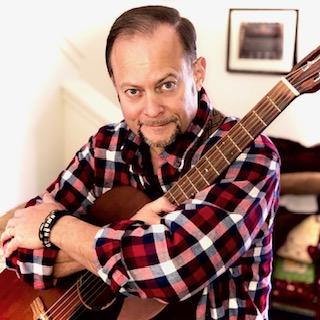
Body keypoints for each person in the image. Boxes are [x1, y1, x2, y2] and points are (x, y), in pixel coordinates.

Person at [1, 5, 280, 319]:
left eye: (166, 85)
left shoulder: (250, 154)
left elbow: (172, 270)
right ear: (117, 90)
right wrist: (133, 233)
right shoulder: (105, 146)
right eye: (133, 91)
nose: (151, 109)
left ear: (197, 73)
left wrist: (55, 227)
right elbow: (18, 246)